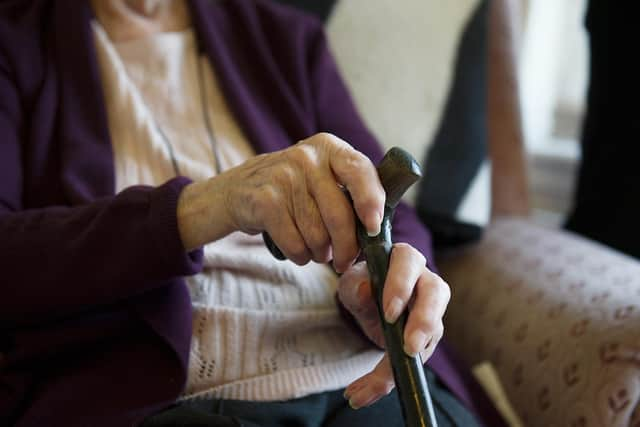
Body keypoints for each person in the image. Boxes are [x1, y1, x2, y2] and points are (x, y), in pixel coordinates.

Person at [0, 1, 506, 426]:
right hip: (165, 398)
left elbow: (382, 197)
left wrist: (389, 282)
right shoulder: (16, 44)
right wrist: (205, 206)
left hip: (363, 380)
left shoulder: (284, 39)